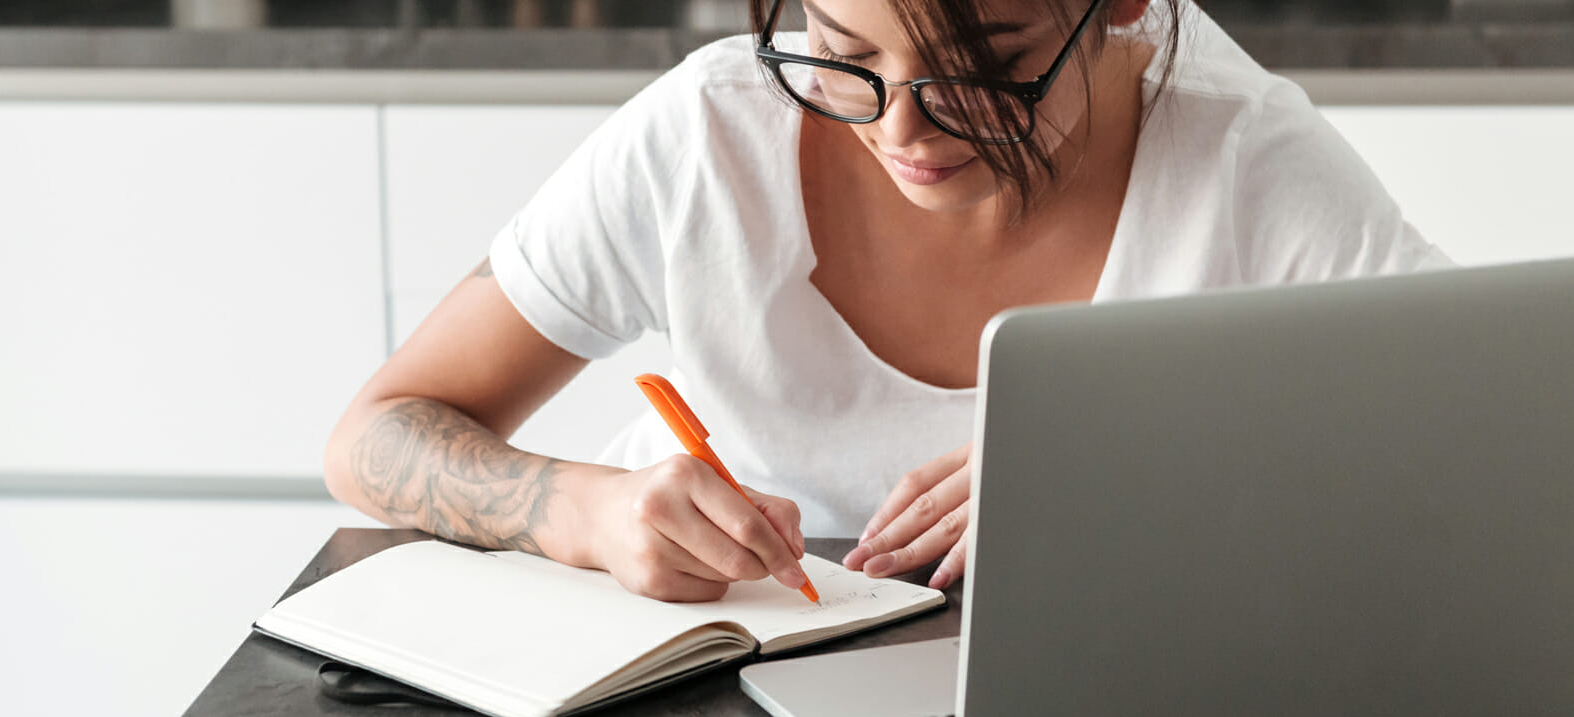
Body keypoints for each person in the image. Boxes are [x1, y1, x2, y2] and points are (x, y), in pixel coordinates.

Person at [322, 0, 1452, 602]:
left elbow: (1474, 445)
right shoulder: (707, 137)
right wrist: (594, 514)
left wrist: (1146, 461)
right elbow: (374, 436)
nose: (900, 130)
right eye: (842, 48)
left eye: (979, 64)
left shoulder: (1244, 159)